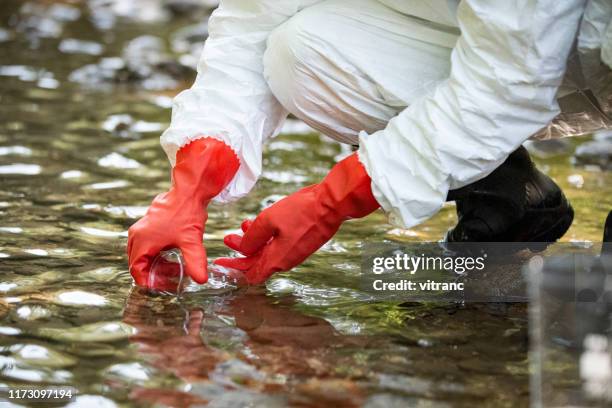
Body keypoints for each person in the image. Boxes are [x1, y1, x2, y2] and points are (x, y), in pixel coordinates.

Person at [128, 0, 612, 286]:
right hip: (520, 47)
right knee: (296, 50)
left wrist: (331, 200)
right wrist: (189, 188)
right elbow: (251, 23)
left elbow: (508, 85)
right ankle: (510, 196)